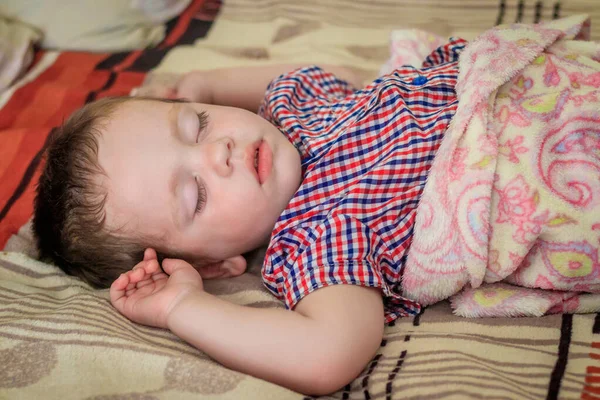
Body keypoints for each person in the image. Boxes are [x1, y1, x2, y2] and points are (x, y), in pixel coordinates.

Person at [32, 38, 466, 395]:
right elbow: (327, 353)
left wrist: (205, 86)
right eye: (196, 194)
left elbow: (344, 77)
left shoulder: (289, 109)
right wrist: (183, 306)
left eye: (197, 125)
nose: (216, 151)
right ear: (214, 265)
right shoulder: (321, 238)